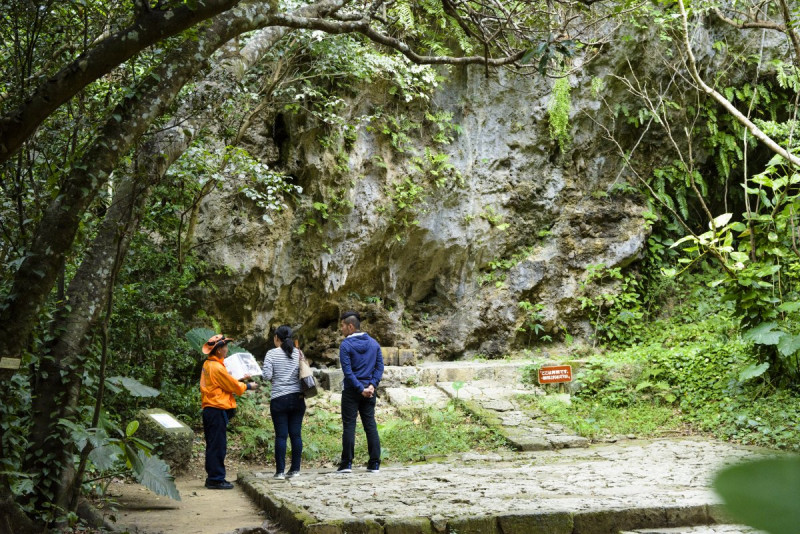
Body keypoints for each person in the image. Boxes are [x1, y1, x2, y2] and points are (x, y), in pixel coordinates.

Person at [200, 334, 259, 490]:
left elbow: (225, 382)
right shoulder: (217, 367)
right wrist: (248, 386)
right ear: (219, 350)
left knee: (213, 444)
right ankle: (216, 479)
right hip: (216, 408)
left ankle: (213, 477)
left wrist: (239, 380)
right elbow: (232, 385)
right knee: (218, 445)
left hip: (210, 408)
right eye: (225, 347)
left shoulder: (209, 364)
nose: (227, 349)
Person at [337, 310, 384, 474]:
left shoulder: (345, 345)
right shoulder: (373, 343)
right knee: (370, 425)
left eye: (342, 325)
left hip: (352, 391)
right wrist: (372, 385)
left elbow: (348, 372)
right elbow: (379, 367)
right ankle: (374, 463)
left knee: (349, 426)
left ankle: (347, 463)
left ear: (350, 326)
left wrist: (360, 388)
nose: (341, 329)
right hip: (369, 392)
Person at [262, 325, 306, 480]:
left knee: (281, 436)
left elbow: (266, 376)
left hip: (279, 399)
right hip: (297, 399)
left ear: (276, 338)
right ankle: (295, 470)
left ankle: (280, 472)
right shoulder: (298, 352)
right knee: (296, 435)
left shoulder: (271, 354)